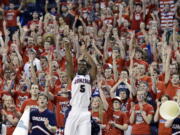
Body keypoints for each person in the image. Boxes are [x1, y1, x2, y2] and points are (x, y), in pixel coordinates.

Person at [64, 39, 97, 135]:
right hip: (74, 110)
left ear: (87, 68)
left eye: (84, 65)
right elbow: (69, 62)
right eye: (80, 65)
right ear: (77, 67)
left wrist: (85, 52)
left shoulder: (89, 77)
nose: (82, 66)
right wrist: (67, 49)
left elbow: (94, 66)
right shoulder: (73, 76)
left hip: (85, 111)